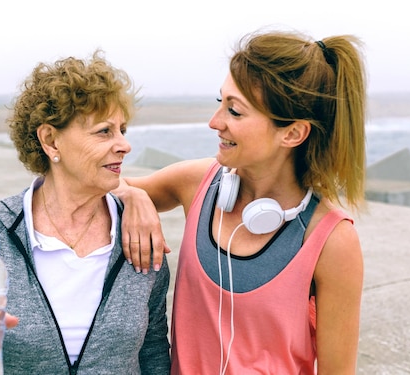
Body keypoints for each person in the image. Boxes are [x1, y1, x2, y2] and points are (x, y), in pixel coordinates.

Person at [115, 29, 366, 374]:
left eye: (235, 111)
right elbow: (93, 188)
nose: (215, 122)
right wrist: (133, 195)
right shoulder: (196, 183)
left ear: (292, 133)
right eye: (221, 102)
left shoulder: (332, 241)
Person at [0, 50, 171, 374]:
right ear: (50, 140)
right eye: (104, 131)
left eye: (123, 130)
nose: (124, 144)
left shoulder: (139, 232)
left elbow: (154, 349)